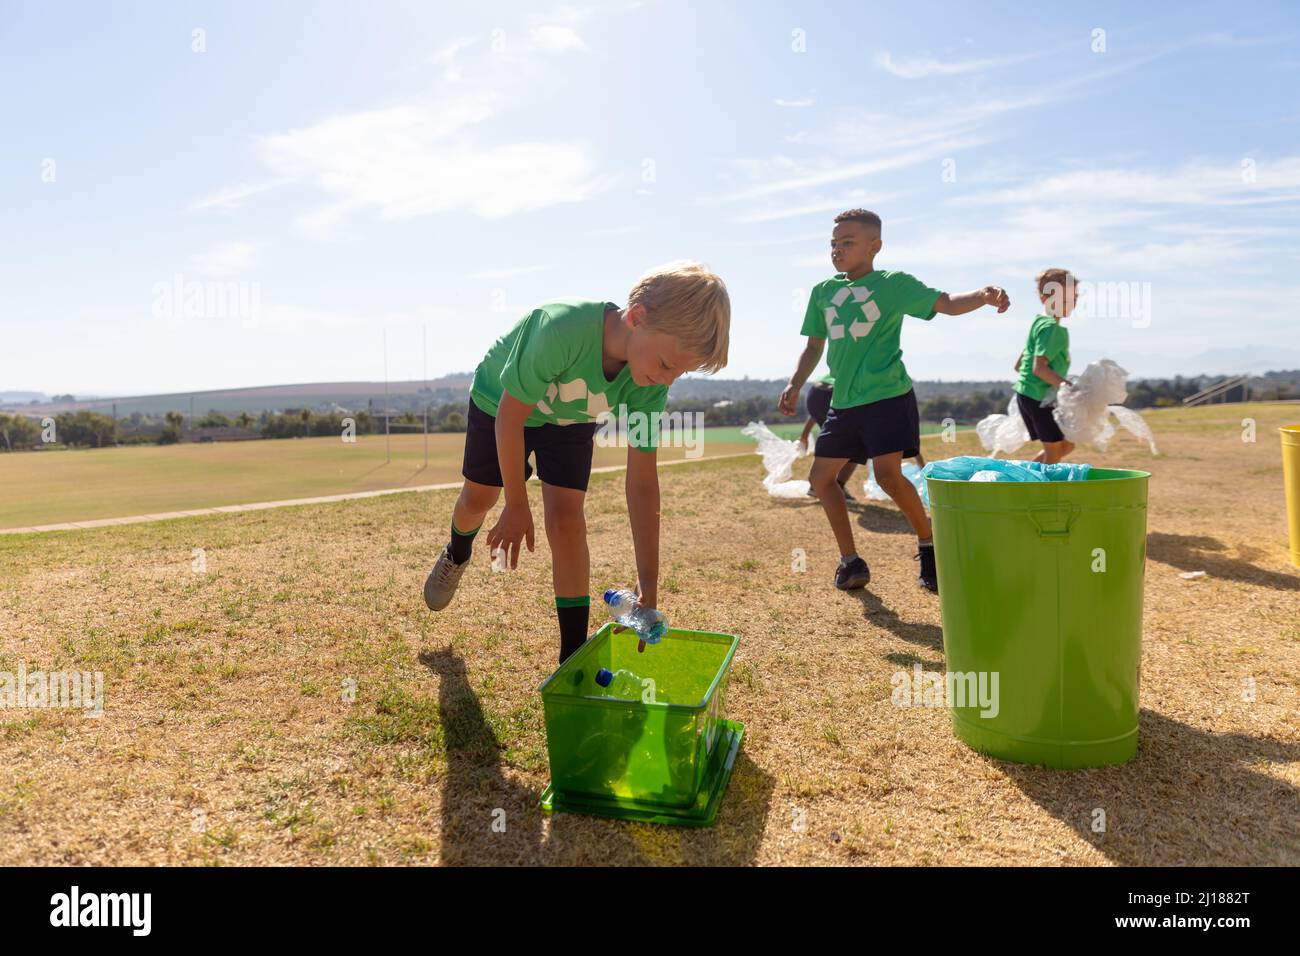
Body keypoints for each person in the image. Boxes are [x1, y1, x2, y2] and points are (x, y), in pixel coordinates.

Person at [423, 262, 730, 663]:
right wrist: (516, 505)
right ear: (636, 318)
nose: (668, 381)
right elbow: (510, 417)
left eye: (680, 374)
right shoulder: (561, 329)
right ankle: (457, 552)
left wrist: (649, 585)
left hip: (570, 419)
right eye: (667, 366)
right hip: (502, 403)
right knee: (479, 500)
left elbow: (642, 484)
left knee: (567, 522)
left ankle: (573, 657)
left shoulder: (647, 385)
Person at [778, 208, 1009, 594]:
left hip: (888, 397)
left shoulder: (893, 284)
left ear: (875, 246)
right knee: (821, 479)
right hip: (844, 401)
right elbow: (813, 346)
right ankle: (851, 561)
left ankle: (929, 545)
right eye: (834, 243)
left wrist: (983, 296)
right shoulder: (823, 292)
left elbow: (947, 302)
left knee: (888, 477)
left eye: (847, 242)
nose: (837, 250)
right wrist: (795, 384)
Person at [1014, 268, 1077, 464]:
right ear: (1045, 299)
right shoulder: (1052, 328)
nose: (1071, 303)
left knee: (1067, 444)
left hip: (1029, 395)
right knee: (1055, 447)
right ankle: (1041, 492)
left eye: (1073, 297)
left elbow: (1019, 365)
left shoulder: (1039, 322)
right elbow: (1038, 369)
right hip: (1037, 399)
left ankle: (1028, 475)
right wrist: (1069, 387)